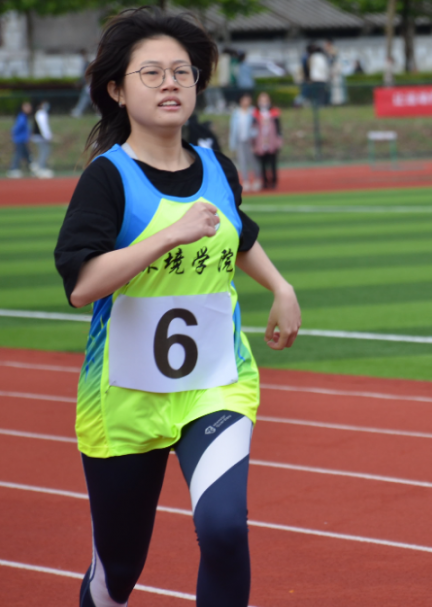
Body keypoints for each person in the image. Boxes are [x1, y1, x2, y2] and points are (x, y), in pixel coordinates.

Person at [52, 9, 300, 606]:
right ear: (118, 89)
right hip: (123, 399)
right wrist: (167, 236)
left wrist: (281, 287)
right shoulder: (107, 179)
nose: (170, 84)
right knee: (118, 573)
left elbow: (238, 233)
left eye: (182, 72)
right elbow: (83, 286)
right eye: (153, 73)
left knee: (223, 529)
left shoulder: (217, 167)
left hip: (216, 382)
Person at [229, 92, 261, 192]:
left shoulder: (253, 111)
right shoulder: (236, 113)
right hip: (240, 141)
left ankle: (257, 180)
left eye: (247, 99)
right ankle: (246, 181)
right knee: (242, 162)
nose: (246, 102)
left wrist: (254, 136)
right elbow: (233, 128)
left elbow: (257, 125)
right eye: (244, 99)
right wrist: (232, 142)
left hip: (251, 140)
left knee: (254, 161)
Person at [252, 91, 282, 190]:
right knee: (262, 163)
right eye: (262, 100)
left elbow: (278, 128)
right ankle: (264, 181)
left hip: (271, 141)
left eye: (266, 100)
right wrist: (254, 143)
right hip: (260, 142)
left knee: (273, 162)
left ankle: (274, 181)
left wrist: (278, 140)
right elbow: (253, 129)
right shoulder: (256, 114)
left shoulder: (274, 113)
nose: (264, 102)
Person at [8, 101, 32, 178]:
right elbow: (17, 128)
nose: (29, 109)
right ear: (23, 108)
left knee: (27, 154)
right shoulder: (22, 117)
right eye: (27, 107)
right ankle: (13, 169)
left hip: (23, 139)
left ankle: (31, 168)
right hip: (20, 139)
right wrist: (13, 134)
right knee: (18, 154)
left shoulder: (24, 117)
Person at [31, 100, 54, 178]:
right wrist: (47, 136)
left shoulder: (41, 113)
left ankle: (38, 167)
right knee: (44, 152)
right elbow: (43, 126)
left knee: (44, 152)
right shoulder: (41, 114)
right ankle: (40, 168)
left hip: (40, 137)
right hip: (40, 137)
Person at [71, 49, 93, 117]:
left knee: (87, 98)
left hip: (89, 85)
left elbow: (89, 75)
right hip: (87, 85)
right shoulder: (85, 64)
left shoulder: (88, 64)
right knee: (87, 98)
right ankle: (78, 111)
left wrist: (86, 82)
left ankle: (78, 111)